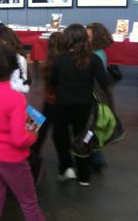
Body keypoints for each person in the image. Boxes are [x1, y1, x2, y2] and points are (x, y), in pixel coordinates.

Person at [0, 45, 44, 221]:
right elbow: (19, 139)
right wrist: (33, 135)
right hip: (12, 160)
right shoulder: (16, 98)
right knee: (29, 203)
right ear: (14, 68)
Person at [51, 24, 109, 186]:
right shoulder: (94, 59)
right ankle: (84, 175)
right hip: (85, 105)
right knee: (84, 138)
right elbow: (104, 81)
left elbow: (53, 81)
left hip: (62, 104)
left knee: (60, 137)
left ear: (68, 39)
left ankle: (66, 168)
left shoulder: (60, 60)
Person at [30, 31, 65, 183]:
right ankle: (65, 164)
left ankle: (33, 156)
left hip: (49, 101)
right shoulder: (63, 63)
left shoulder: (48, 63)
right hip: (60, 102)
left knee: (42, 129)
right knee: (60, 135)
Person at [86, 22, 114, 171]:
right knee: (92, 126)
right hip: (97, 94)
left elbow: (97, 79)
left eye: (89, 37)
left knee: (90, 125)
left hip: (94, 95)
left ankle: (94, 156)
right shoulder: (99, 53)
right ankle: (96, 156)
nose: (86, 40)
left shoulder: (96, 56)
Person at [0, 26, 30, 93]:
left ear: (4, 42)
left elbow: (24, 87)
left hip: (11, 96)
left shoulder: (19, 59)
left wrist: (3, 85)